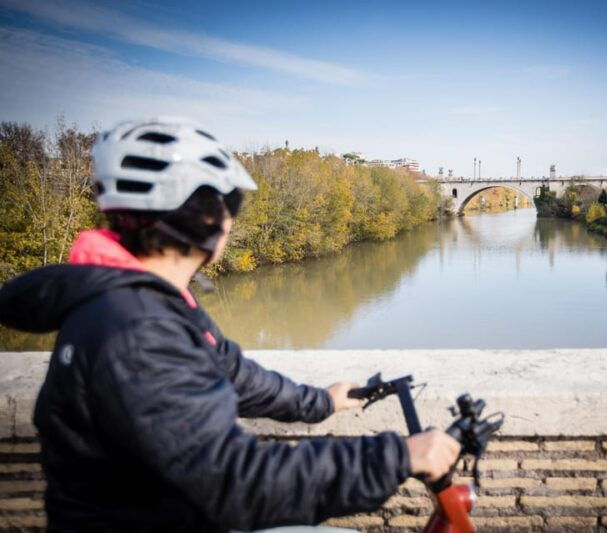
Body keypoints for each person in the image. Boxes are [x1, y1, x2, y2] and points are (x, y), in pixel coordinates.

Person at [0, 118, 460, 531]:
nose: (231, 224)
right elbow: (233, 483)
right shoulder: (137, 329)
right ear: (205, 219)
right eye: (229, 209)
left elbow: (230, 372)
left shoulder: (139, 302)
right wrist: (398, 456)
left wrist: (320, 401)